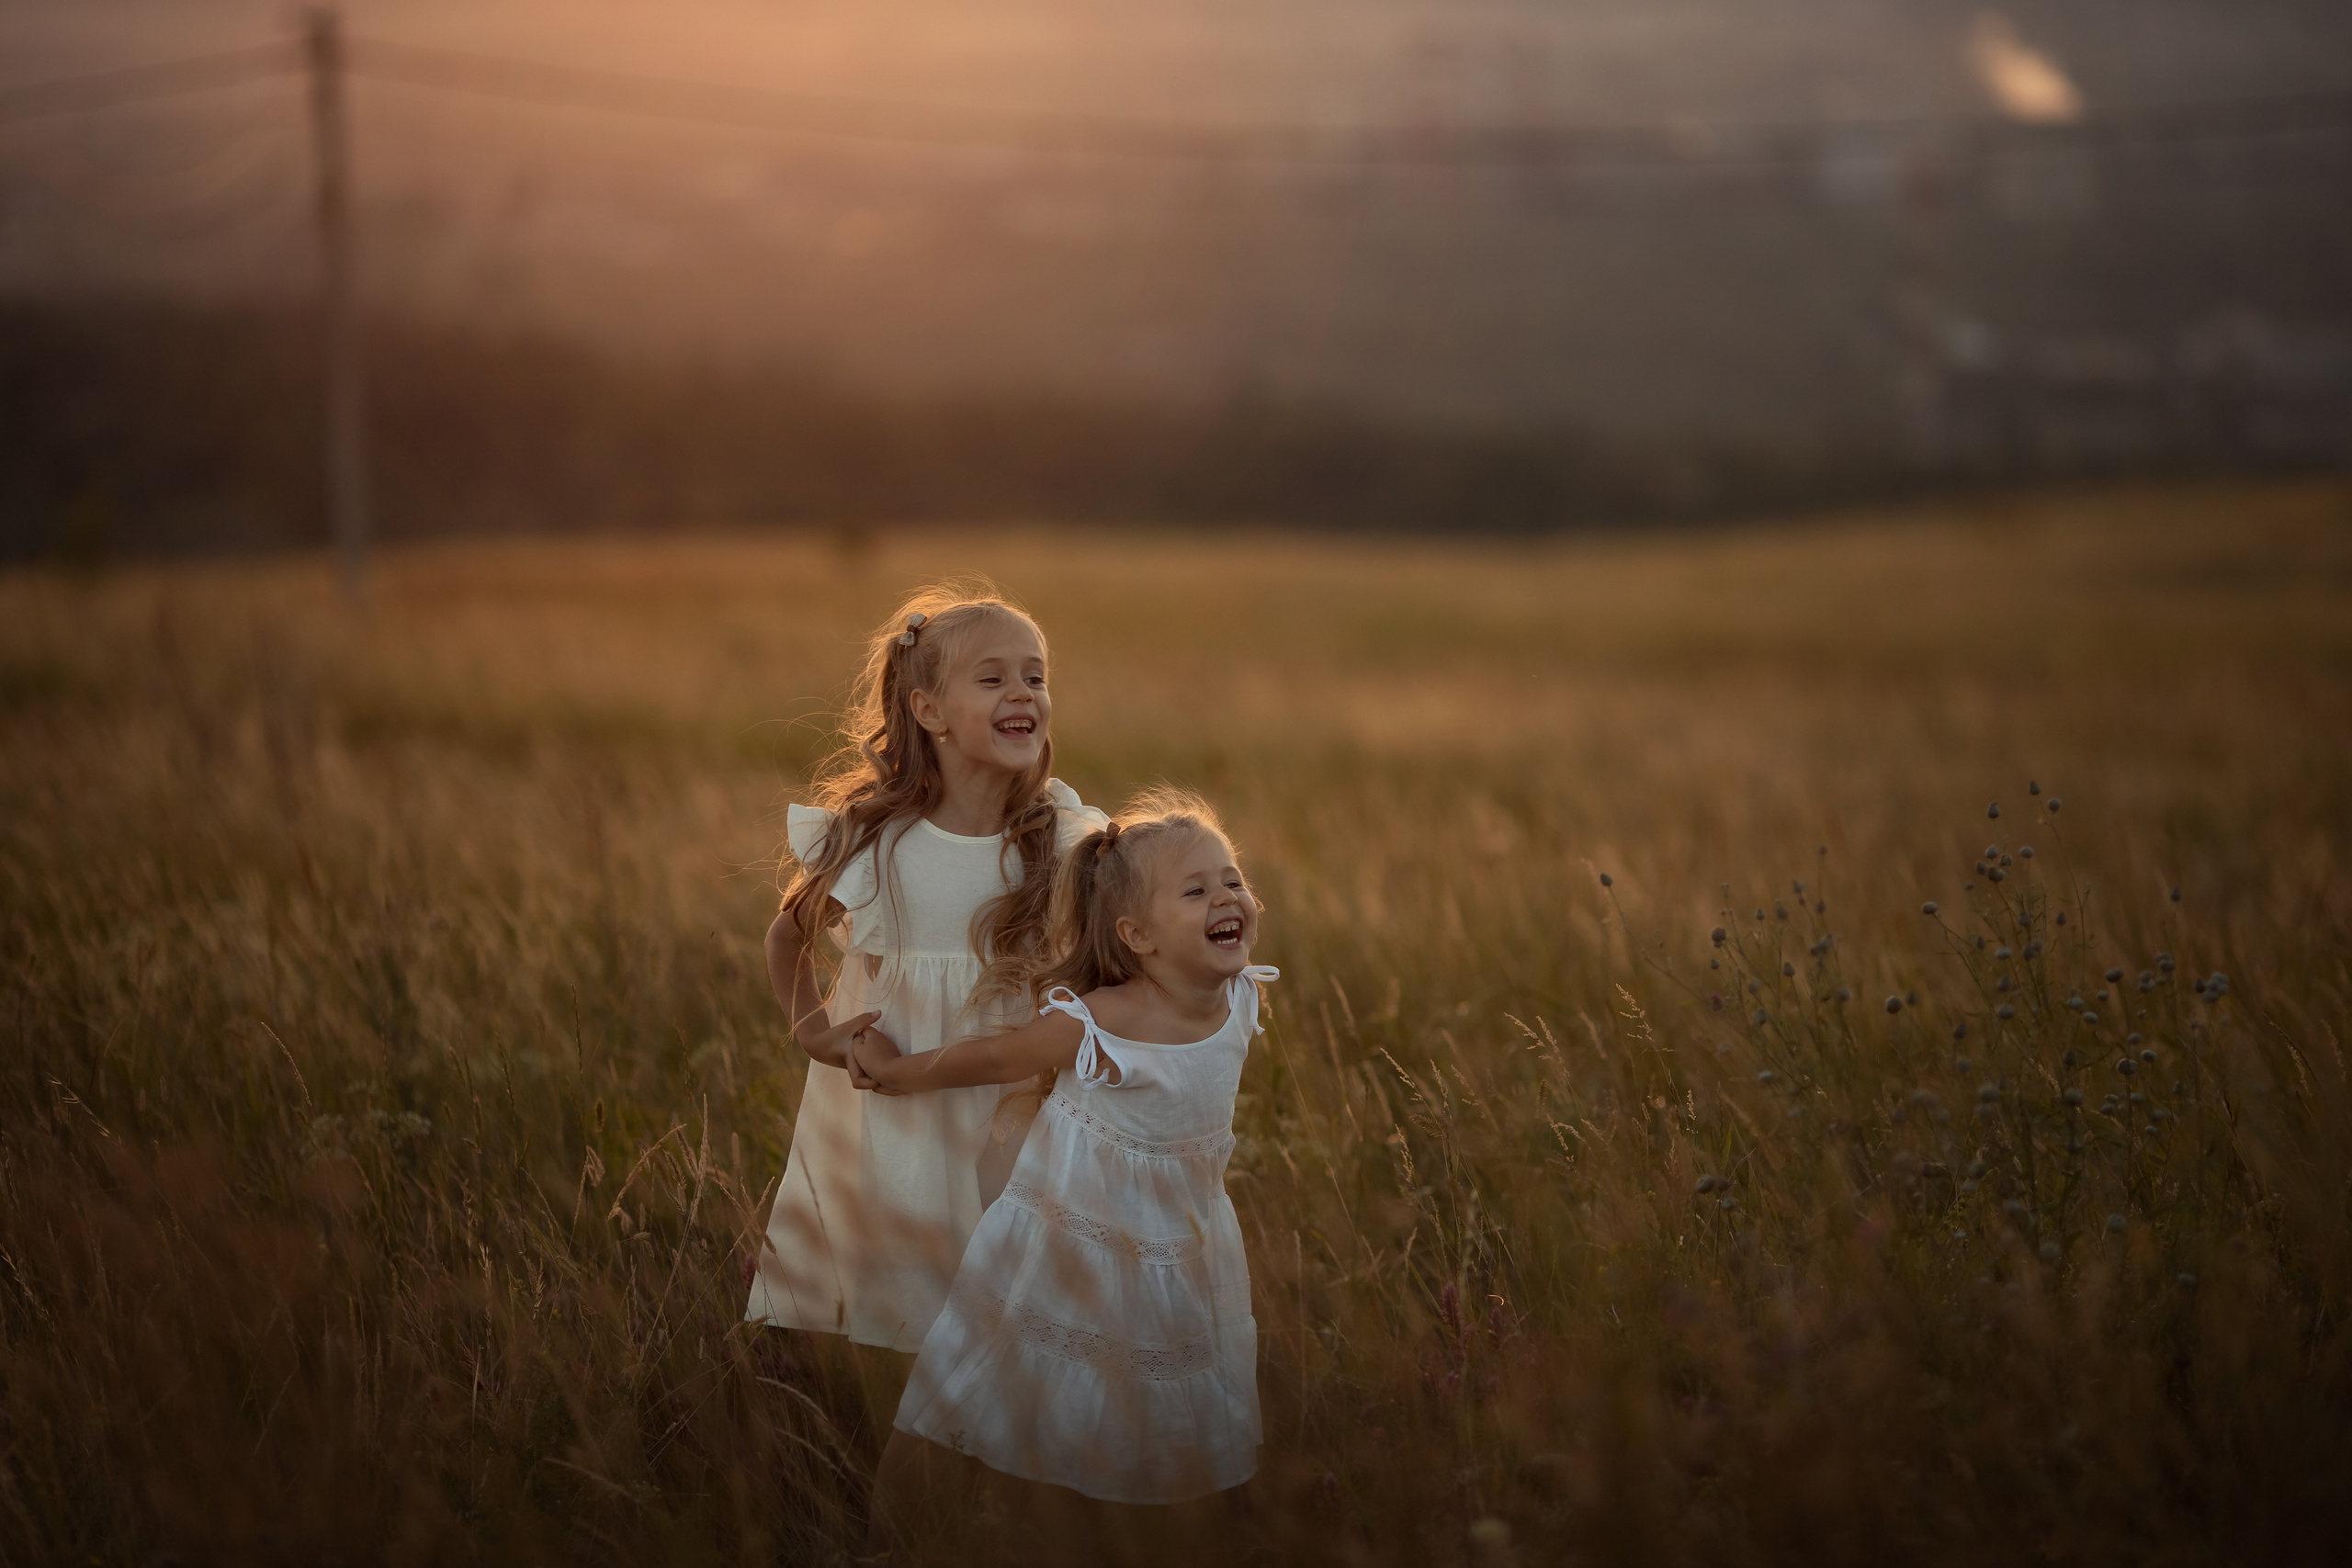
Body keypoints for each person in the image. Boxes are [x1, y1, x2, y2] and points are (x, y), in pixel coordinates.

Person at [851, 790, 1274, 1535]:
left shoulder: (1240, 997)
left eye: (1232, 879)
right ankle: (886, 1533)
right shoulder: (1108, 1018)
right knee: (985, 1368)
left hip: (1178, 1245)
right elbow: (998, 1056)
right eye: (1197, 888)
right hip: (1065, 1236)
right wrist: (898, 1069)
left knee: (1152, 1391)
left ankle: (1130, 1531)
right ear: (1137, 934)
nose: (1226, 897)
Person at [745, 582, 1105, 1359]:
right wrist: (819, 1036)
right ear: (928, 711)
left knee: (1016, 1310)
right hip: (899, 1112)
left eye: (1036, 677)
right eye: (993, 677)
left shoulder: (1066, 840)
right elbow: (787, 936)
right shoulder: (879, 842)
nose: (1023, 693)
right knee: (909, 1306)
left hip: (1014, 1107)